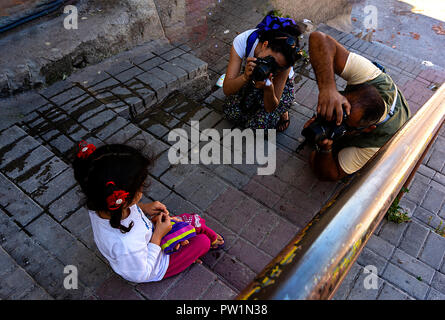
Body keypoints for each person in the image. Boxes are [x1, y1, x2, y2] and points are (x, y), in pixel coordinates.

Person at [72, 142, 224, 283]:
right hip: (156, 265)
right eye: (140, 187)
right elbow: (142, 273)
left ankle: (195, 240)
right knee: (202, 241)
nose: (143, 189)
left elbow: (128, 209)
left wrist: (143, 207)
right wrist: (157, 235)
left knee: (189, 222)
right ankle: (194, 251)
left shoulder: (100, 202)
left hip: (148, 238)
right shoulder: (124, 244)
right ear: (123, 200)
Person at [304, 31, 410, 181]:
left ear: (367, 128)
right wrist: (328, 89)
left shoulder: (376, 144)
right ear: (354, 88)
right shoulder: (372, 77)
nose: (335, 120)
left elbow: (332, 174)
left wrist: (324, 149)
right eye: (338, 109)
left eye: (344, 122)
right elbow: (318, 38)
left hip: (396, 131)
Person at [223, 13, 302, 131]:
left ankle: (283, 111)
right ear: (265, 44)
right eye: (272, 61)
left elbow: (270, 107)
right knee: (231, 113)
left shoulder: (285, 63)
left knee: (259, 127)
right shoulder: (243, 41)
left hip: (275, 87)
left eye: (279, 67)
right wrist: (244, 77)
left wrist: (268, 89)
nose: (274, 68)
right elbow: (227, 89)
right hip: (255, 76)